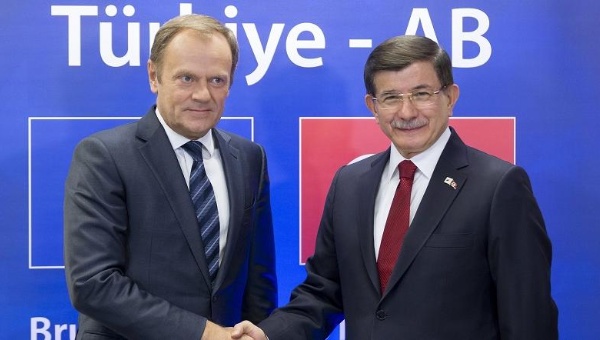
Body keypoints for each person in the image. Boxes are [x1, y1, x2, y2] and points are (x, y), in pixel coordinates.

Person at [232, 35, 558, 339]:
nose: (407, 112)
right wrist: (268, 334)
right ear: (373, 107)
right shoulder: (350, 183)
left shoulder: (499, 186)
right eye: (390, 98)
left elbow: (528, 318)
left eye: (421, 94)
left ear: (450, 97)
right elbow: (325, 290)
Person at [64, 14, 277, 339]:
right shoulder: (104, 156)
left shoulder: (249, 158)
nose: (203, 94)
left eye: (217, 80)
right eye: (187, 78)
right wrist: (202, 333)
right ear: (154, 76)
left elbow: (258, 281)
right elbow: (93, 284)